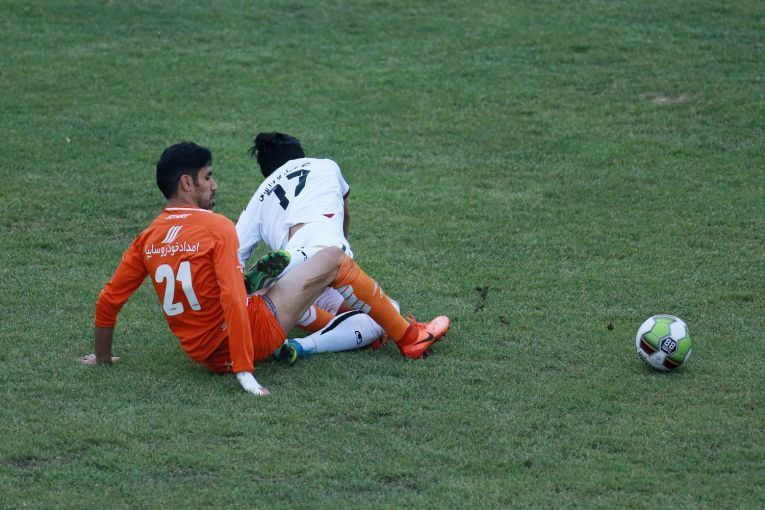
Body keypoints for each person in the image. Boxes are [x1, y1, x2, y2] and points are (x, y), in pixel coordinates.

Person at [80, 141, 450, 396]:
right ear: (187, 183)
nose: (214, 185)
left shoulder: (148, 238)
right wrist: (245, 373)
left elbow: (110, 299)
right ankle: (409, 338)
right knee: (332, 258)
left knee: (343, 312)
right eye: (208, 177)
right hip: (247, 336)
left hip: (203, 353)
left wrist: (102, 357)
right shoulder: (216, 227)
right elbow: (231, 299)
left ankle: (339, 318)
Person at [235, 132, 396, 359]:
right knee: (387, 312)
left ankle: (277, 286)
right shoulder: (327, 166)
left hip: (294, 279)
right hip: (328, 250)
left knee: (289, 295)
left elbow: (234, 255)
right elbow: (345, 212)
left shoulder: (258, 198)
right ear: (302, 157)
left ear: (264, 175)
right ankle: (302, 345)